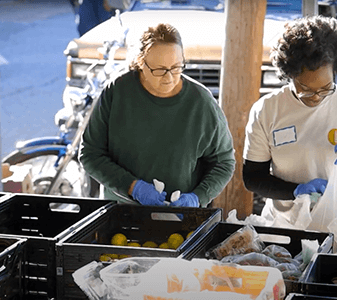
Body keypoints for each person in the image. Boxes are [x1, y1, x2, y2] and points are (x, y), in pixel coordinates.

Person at [243, 16, 337, 254]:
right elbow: (253, 177)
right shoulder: (267, 110)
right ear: (290, 75)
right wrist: (295, 190)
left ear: (336, 71)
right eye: (305, 90)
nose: (316, 97)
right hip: (285, 229)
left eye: (326, 89)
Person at [79, 23, 236, 208]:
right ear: (140, 63)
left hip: (181, 217)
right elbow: (90, 153)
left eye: (176, 67)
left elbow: (223, 162)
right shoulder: (117, 92)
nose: (169, 77)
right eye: (159, 70)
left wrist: (198, 197)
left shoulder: (201, 103)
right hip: (120, 211)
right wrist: (132, 187)